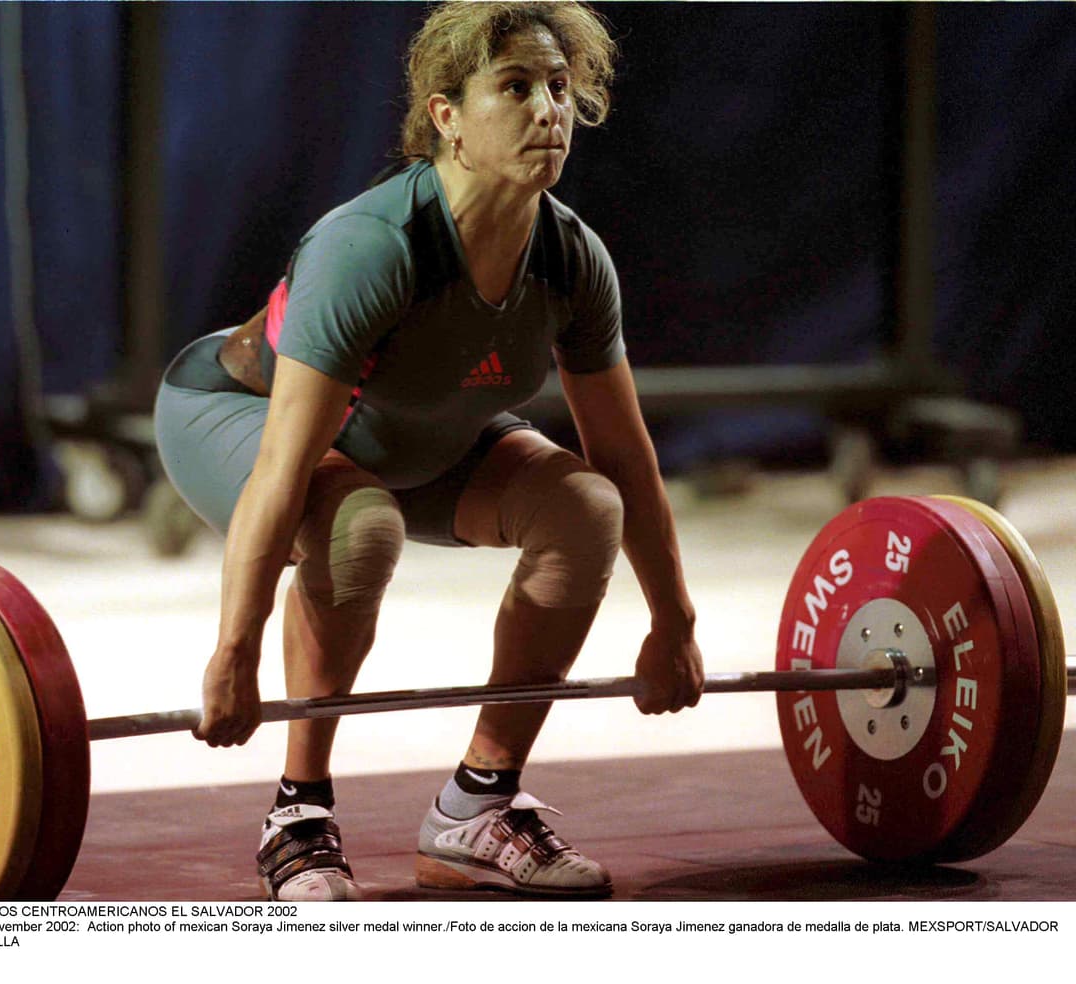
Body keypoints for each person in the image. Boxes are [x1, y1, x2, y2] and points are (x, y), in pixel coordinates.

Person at [154, 0, 703, 902]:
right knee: (358, 530)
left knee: (585, 509)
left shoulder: (571, 259)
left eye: (560, 89)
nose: (548, 111)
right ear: (447, 117)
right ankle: (298, 812)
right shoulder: (372, 248)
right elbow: (287, 468)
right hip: (231, 415)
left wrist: (673, 624)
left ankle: (477, 808)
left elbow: (625, 456)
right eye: (516, 87)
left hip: (413, 435)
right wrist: (235, 651)